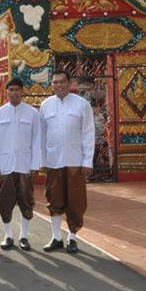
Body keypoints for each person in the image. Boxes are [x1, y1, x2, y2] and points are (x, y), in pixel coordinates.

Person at [40, 70, 95, 254]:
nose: (59, 85)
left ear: (70, 83)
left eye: (62, 82)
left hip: (75, 161)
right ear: (51, 85)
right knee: (54, 199)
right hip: (53, 160)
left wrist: (87, 160)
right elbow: (42, 135)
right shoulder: (46, 105)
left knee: (75, 201)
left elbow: (88, 133)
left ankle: (72, 237)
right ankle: (56, 237)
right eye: (55, 82)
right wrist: (42, 159)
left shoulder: (82, 104)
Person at [0, 78, 41, 251]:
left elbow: (37, 140)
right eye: (11, 89)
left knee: (26, 201)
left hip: (25, 165)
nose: (14, 93)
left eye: (17, 89)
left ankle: (24, 236)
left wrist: (35, 165)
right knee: (5, 201)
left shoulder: (32, 113)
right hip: (5, 165)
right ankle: (8, 235)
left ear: (22, 91)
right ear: (6, 92)